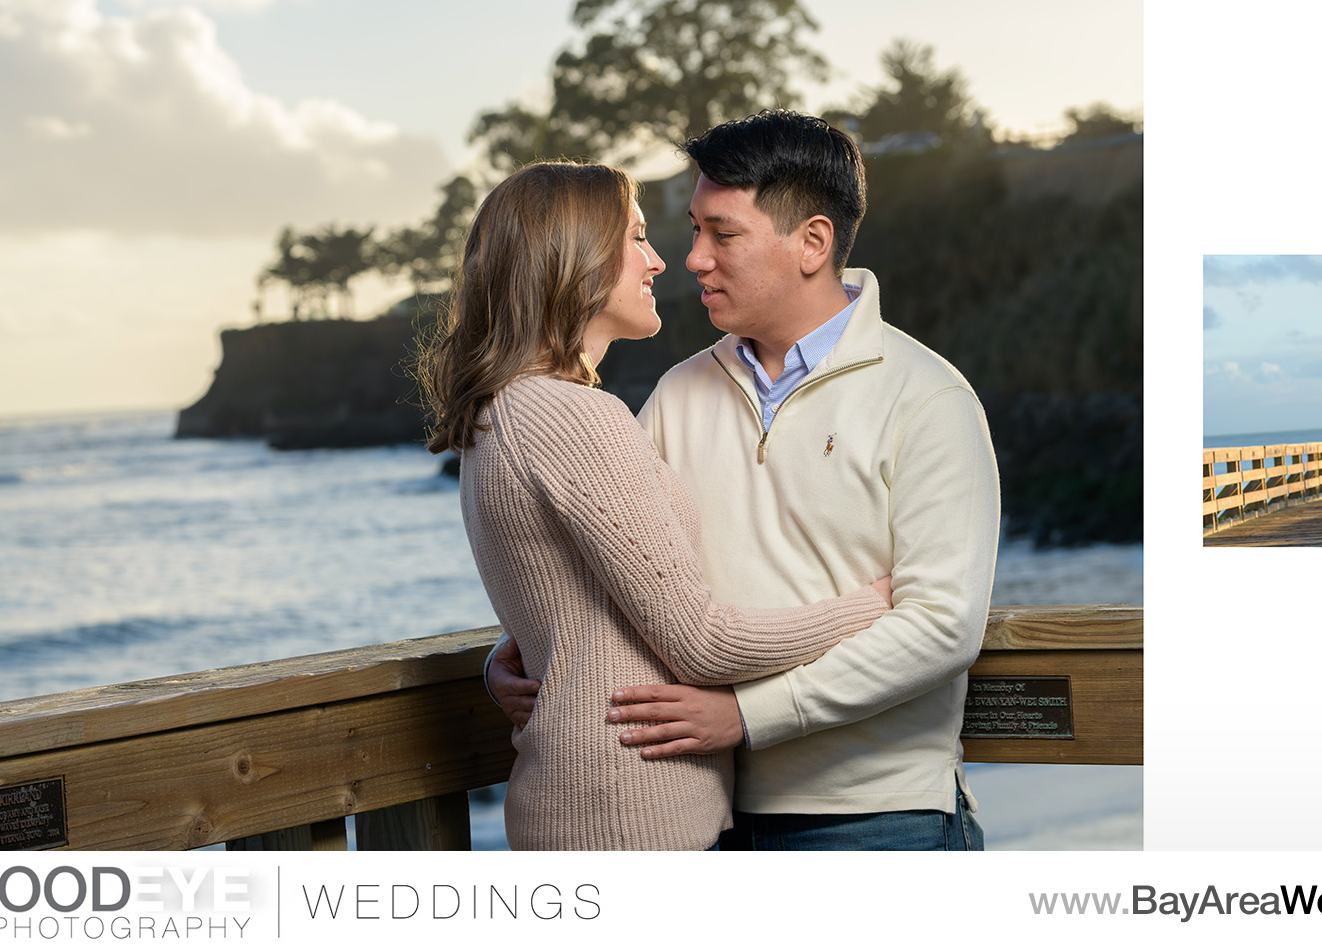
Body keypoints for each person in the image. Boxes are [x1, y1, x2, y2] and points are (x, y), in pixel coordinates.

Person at [490, 110, 1001, 850]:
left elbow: (942, 627)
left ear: (812, 243)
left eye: (721, 234)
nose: (693, 257)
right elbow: (608, 568)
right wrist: (514, 652)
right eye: (693, 230)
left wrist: (747, 716)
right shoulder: (676, 393)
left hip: (879, 820)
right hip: (710, 815)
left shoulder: (926, 396)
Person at [422, 161, 896, 850]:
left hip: (590, 807)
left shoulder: (506, 410)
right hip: (632, 817)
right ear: (574, 258)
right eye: (636, 238)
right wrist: (875, 605)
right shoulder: (573, 415)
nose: (657, 260)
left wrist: (525, 650)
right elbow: (703, 644)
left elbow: (568, 594)